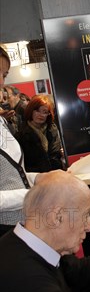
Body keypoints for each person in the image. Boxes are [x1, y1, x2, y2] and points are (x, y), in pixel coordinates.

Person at [0, 45, 44, 237]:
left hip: (22, 226)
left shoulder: (2, 121)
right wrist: (33, 194)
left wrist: (40, 178)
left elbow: (14, 175)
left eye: (4, 75)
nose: (1, 82)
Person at [16, 94, 64, 172]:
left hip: (56, 173)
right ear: (31, 110)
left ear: (48, 114)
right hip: (36, 177)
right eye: (37, 111)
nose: (41, 115)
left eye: (45, 112)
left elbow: (55, 154)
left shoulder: (52, 129)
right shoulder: (21, 134)